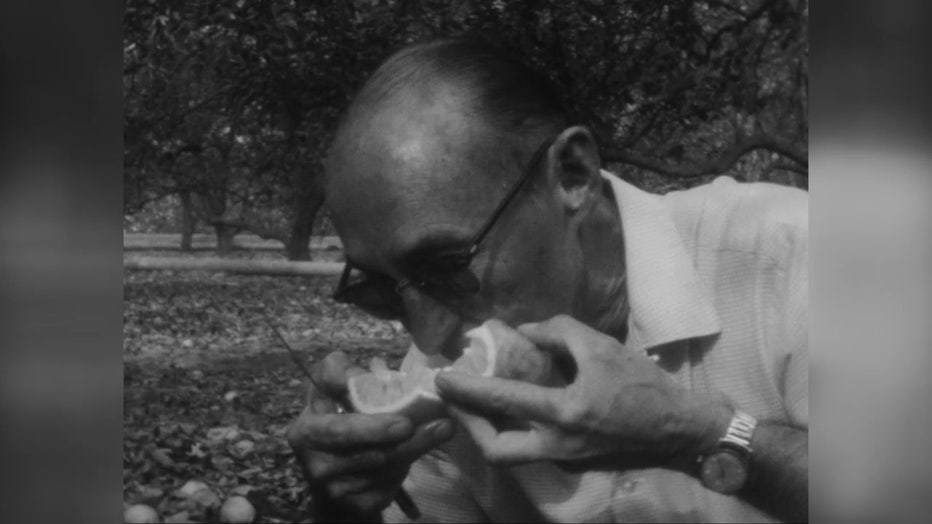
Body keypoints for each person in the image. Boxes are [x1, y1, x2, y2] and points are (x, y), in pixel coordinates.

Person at [286, 38, 808, 523]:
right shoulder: (437, 371)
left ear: (572, 175)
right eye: (376, 289)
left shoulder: (799, 260)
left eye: (446, 265)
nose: (427, 338)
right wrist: (347, 506)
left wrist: (701, 438)